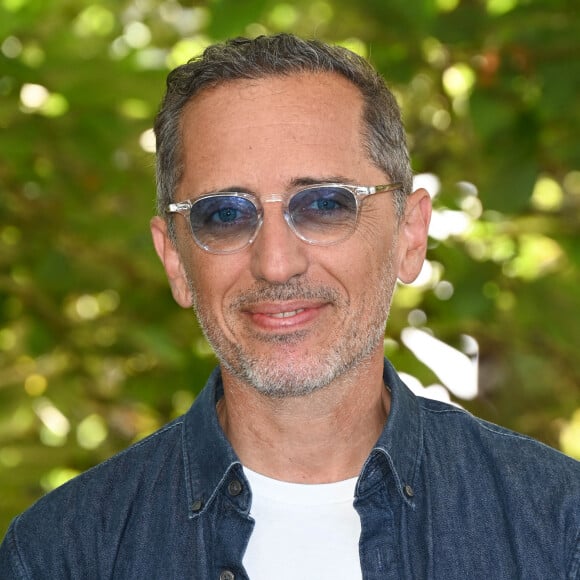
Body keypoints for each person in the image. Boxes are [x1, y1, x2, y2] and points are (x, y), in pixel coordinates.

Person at [0, 33, 578, 580]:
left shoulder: (557, 528)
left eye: (325, 205)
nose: (275, 263)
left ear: (409, 236)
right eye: (224, 214)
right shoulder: (62, 553)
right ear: (174, 259)